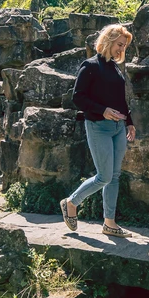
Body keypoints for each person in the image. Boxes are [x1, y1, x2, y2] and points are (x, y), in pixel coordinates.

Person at [60, 24, 136, 238]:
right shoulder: (90, 65)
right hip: (98, 127)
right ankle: (71, 203)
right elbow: (78, 97)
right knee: (104, 176)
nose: (122, 50)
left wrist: (129, 121)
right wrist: (102, 111)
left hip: (118, 128)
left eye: (124, 46)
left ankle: (109, 223)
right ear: (109, 41)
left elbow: (120, 100)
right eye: (119, 44)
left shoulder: (114, 68)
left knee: (114, 176)